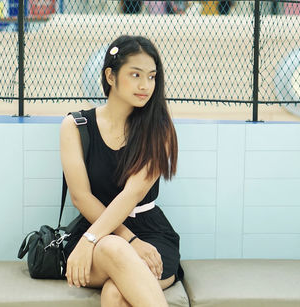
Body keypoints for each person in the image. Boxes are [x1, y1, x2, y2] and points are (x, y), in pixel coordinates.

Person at [60, 35, 182, 307]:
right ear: (111, 76)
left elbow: (132, 194)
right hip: (95, 228)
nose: (145, 85)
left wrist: (134, 240)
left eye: (151, 76)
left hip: (151, 234)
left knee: (116, 294)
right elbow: (80, 197)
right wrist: (110, 239)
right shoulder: (75, 126)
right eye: (135, 74)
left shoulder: (157, 127)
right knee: (114, 246)